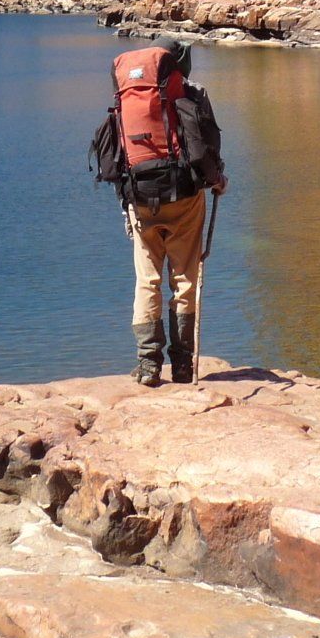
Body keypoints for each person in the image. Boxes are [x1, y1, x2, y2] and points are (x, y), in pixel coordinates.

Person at [91, 35, 227, 388]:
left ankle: (149, 366)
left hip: (138, 197)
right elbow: (207, 144)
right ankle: (182, 367)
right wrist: (217, 180)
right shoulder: (192, 93)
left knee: (146, 280)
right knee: (183, 279)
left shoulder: (128, 93)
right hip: (183, 197)